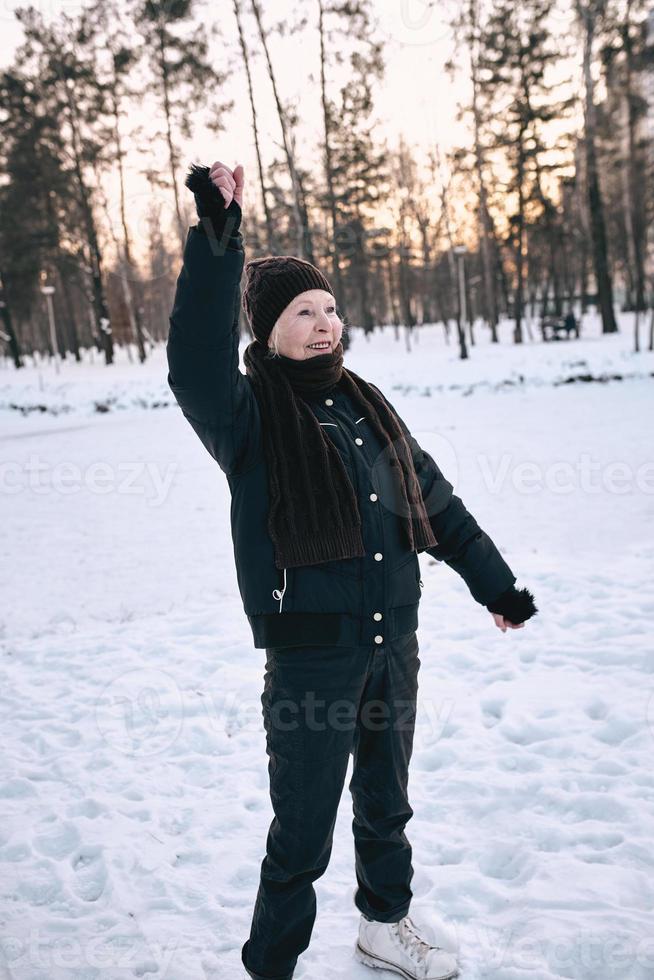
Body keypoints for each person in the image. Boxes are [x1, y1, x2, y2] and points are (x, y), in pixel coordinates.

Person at [167, 160, 538, 980]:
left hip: (391, 647)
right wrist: (217, 242)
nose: (324, 322)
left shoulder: (369, 409)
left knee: (386, 806)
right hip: (311, 660)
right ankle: (271, 965)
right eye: (303, 312)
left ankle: (383, 926)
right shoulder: (248, 418)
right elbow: (192, 359)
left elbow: (435, 505)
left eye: (331, 308)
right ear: (266, 331)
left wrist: (497, 586)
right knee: (300, 832)